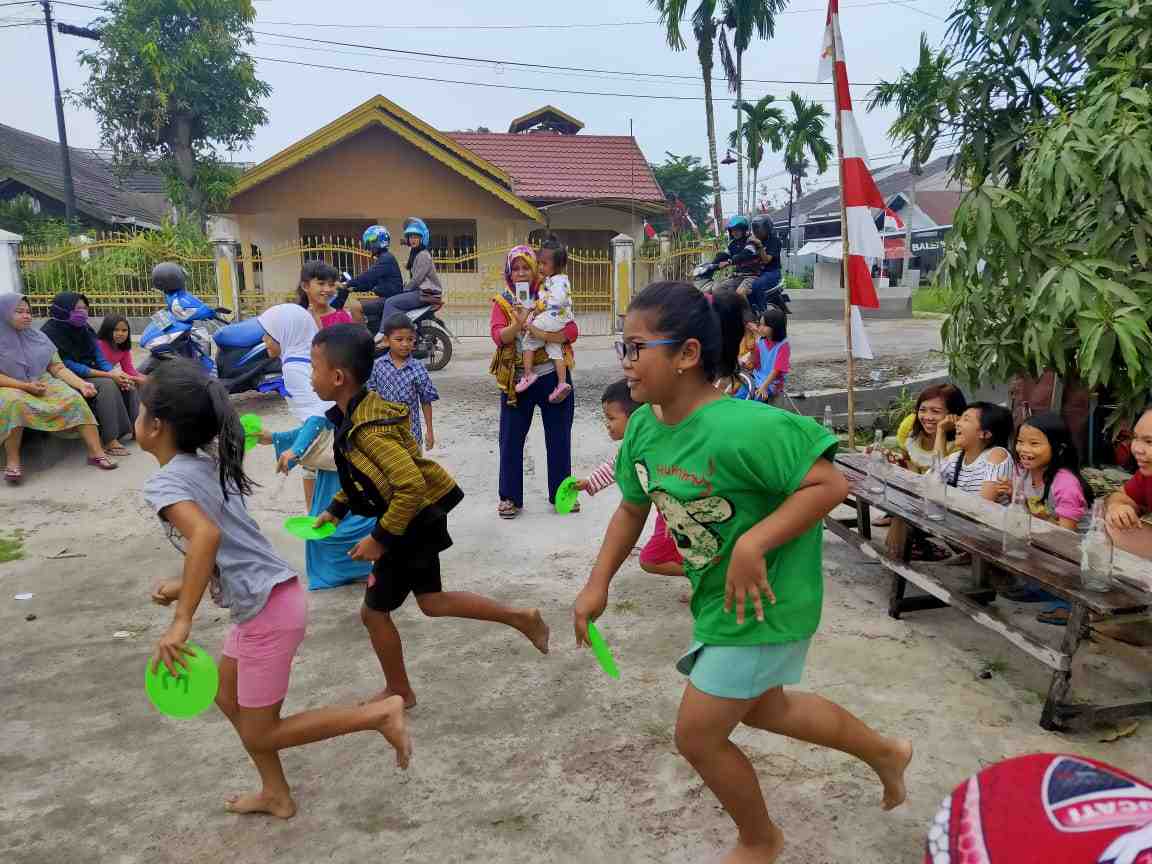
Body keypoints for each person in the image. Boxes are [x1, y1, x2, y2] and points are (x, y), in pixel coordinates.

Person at [572, 281, 912, 863]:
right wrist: (597, 582)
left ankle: (760, 840)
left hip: (765, 601)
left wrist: (755, 541)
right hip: (719, 599)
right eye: (622, 348)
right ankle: (884, 751)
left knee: (697, 735)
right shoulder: (647, 429)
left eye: (637, 347)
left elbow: (831, 483)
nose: (626, 363)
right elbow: (633, 505)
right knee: (767, 709)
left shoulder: (747, 427)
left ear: (686, 355)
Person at [140, 359, 410, 820]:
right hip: (268, 601)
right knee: (229, 699)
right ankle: (275, 793)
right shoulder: (202, 464)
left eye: (140, 408)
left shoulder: (167, 483)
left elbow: (206, 537)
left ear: (157, 425)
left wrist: (181, 620)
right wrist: (181, 583)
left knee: (261, 731)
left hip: (267, 610)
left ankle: (378, 715)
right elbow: (223, 539)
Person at [310, 324, 551, 708]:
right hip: (413, 521)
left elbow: (408, 485)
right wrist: (336, 509)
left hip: (406, 525)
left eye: (313, 367)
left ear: (337, 377)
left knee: (374, 614)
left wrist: (380, 540)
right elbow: (369, 477)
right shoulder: (358, 417)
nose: (310, 376)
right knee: (432, 601)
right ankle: (521, 617)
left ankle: (399, 691)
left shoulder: (368, 429)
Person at [490, 245, 579, 520]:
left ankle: (562, 494)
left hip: (554, 377)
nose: (520, 274)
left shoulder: (551, 294)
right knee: (511, 440)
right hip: (517, 380)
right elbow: (499, 337)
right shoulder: (503, 301)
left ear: (536, 269)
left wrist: (542, 332)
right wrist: (520, 322)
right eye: (515, 268)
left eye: (526, 267)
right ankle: (509, 498)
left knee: (560, 438)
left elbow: (572, 330)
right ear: (508, 272)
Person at [0, 294, 117, 483]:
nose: (27, 316)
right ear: (4, 314)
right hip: (10, 384)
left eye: (28, 312)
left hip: (40, 381)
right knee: (14, 403)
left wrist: (81, 384)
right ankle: (13, 462)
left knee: (73, 398)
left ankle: (96, 452)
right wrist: (24, 386)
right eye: (19, 312)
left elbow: (57, 367)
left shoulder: (39, 337)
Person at [41, 292, 136, 455]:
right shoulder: (50, 333)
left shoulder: (85, 328)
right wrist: (109, 376)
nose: (83, 312)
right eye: (77, 308)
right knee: (107, 385)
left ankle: (135, 428)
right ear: (63, 309)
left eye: (85, 308)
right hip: (66, 376)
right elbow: (67, 365)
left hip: (90, 370)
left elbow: (99, 356)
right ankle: (109, 440)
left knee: (126, 382)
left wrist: (113, 372)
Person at [256, 304, 329, 509]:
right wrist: (274, 438)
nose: (264, 340)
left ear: (285, 333)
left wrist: (295, 450)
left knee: (321, 520)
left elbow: (318, 418)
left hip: (325, 451)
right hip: (335, 440)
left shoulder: (292, 368)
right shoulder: (311, 357)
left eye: (269, 334)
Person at [988, 412, 1093, 530]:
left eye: (1034, 443)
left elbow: (1065, 534)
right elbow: (1027, 512)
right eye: (1020, 441)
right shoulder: (1022, 472)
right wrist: (1014, 493)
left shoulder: (1066, 485)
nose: (1023, 449)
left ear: (1059, 449)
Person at [367, 313, 439, 451]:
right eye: (399, 339)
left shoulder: (418, 368)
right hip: (384, 435)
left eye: (410, 339)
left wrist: (430, 431)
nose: (405, 344)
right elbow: (370, 398)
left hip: (411, 435)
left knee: (412, 471)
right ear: (387, 340)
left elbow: (425, 400)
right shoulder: (377, 366)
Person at [516, 238, 574, 403]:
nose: (540, 267)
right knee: (556, 350)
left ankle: (528, 374)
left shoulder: (558, 281)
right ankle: (562, 383)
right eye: (539, 263)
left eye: (544, 264)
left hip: (553, 316)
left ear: (556, 266)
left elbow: (557, 300)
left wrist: (540, 305)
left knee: (528, 340)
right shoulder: (550, 280)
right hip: (557, 319)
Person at [935, 402, 1015, 497]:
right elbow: (932, 479)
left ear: (985, 434)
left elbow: (984, 504)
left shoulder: (997, 455)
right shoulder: (956, 458)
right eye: (960, 419)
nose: (957, 424)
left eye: (966, 419)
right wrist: (940, 430)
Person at [377, 218, 442, 329]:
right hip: (422, 292)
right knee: (395, 300)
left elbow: (417, 279)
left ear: (423, 238)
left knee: (390, 302)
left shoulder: (423, 255)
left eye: (416, 237)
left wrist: (405, 289)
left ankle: (385, 334)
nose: (413, 240)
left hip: (425, 294)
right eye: (411, 237)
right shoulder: (416, 253)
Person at [1105, 404, 1152, 559]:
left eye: (1149, 442)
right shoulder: (1146, 476)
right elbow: (1122, 496)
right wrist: (1118, 507)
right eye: (1136, 438)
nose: (1136, 448)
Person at [337, 224, 403, 323]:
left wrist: (348, 283)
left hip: (390, 300)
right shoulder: (383, 258)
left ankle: (362, 337)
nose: (368, 245)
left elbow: (368, 276)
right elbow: (370, 283)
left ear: (380, 240)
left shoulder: (386, 258)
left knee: (355, 307)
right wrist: (353, 289)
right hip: (387, 298)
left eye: (371, 239)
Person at [895, 384, 968, 473]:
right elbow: (906, 459)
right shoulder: (910, 424)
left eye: (935, 411)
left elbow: (941, 474)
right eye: (922, 410)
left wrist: (941, 431)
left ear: (953, 413)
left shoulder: (962, 441)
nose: (928, 417)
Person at [748, 306, 790, 403]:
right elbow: (756, 363)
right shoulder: (761, 341)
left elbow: (777, 370)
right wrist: (752, 352)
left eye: (764, 325)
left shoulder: (783, 346)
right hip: (757, 376)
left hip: (772, 383)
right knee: (740, 395)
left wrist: (763, 387)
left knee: (756, 399)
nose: (760, 328)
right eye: (760, 324)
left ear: (775, 327)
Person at [713, 216, 763, 296]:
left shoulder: (750, 241)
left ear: (743, 229)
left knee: (739, 294)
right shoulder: (733, 244)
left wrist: (729, 261)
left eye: (737, 230)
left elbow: (744, 254)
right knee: (717, 289)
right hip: (738, 276)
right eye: (732, 230)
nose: (734, 232)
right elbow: (724, 254)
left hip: (752, 276)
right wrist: (712, 264)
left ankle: (745, 309)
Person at [296, 260, 353, 329]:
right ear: (305, 286)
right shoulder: (295, 318)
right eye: (321, 283)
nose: (327, 289)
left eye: (331, 285)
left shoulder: (342, 318)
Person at [96, 315, 147, 384]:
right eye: (116, 330)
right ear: (107, 330)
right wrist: (135, 379)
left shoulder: (124, 349)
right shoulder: (97, 344)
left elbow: (129, 370)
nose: (120, 334)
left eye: (124, 330)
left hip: (111, 376)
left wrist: (148, 379)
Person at [746, 216, 783, 313]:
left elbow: (766, 260)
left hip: (772, 272)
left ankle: (762, 313)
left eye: (759, 228)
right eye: (755, 228)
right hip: (757, 272)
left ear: (767, 228)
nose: (756, 231)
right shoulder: (752, 240)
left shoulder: (775, 241)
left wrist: (760, 245)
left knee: (756, 285)